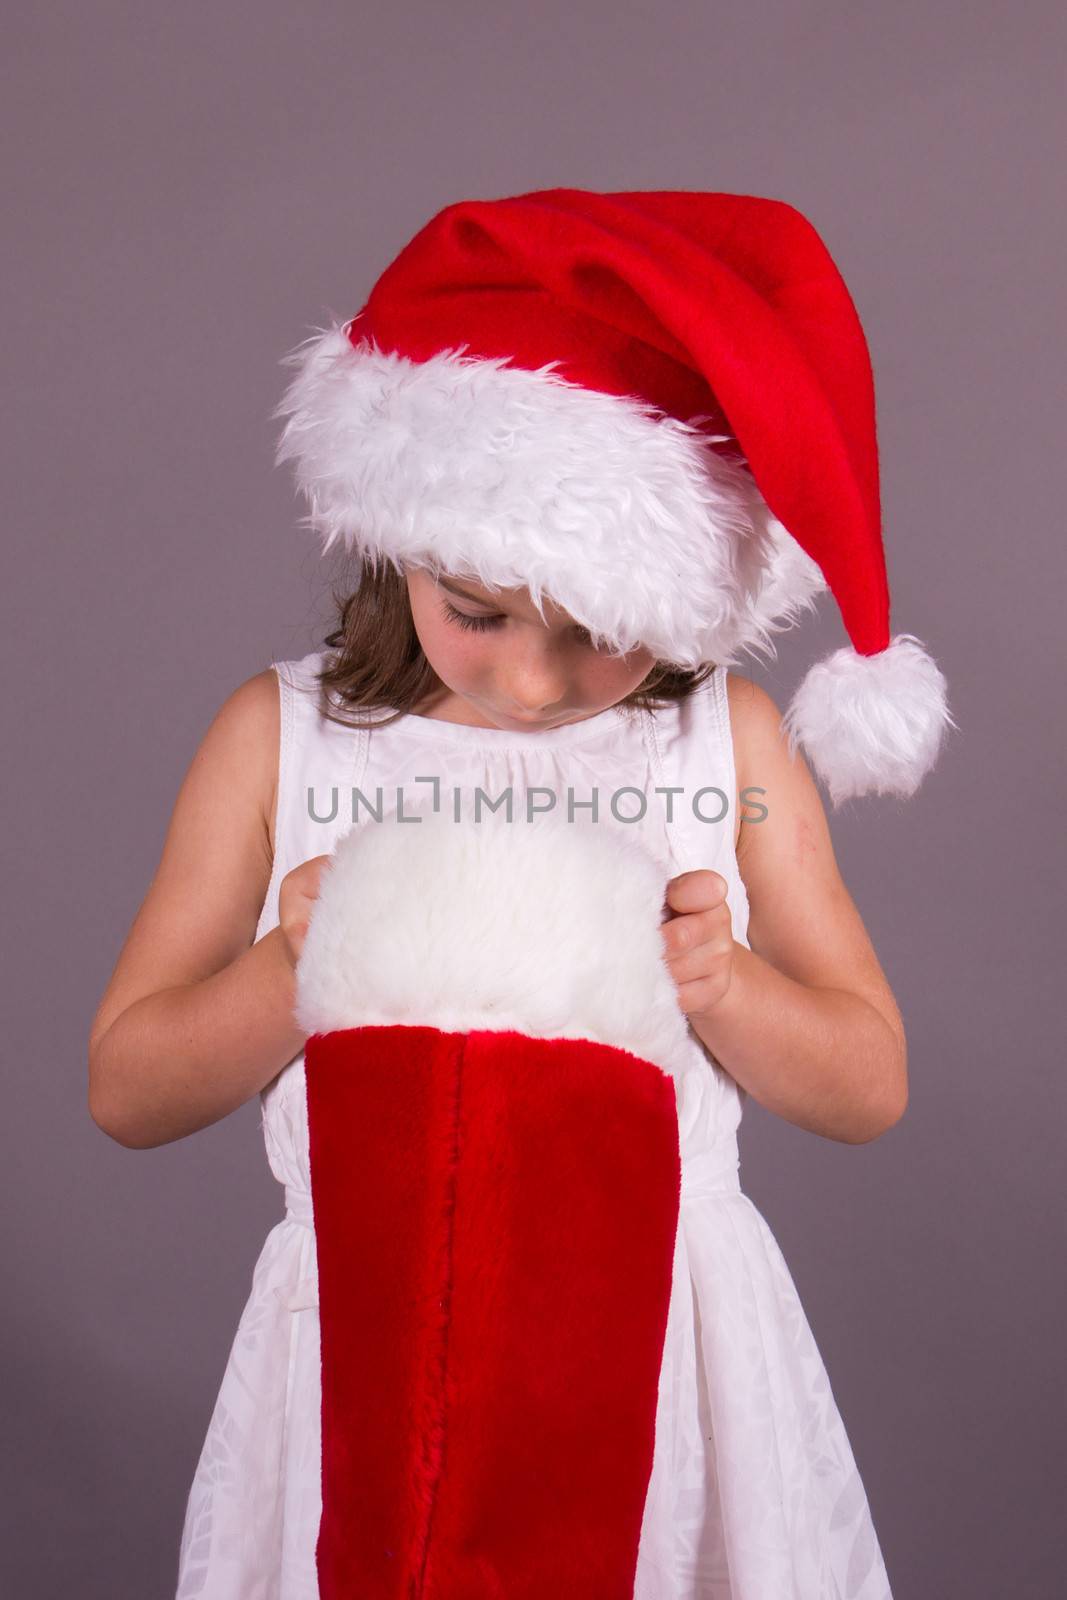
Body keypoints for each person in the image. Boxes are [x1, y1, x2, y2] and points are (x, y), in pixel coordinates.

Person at [88, 188, 955, 1598]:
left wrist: (724, 986)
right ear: (398, 542)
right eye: (477, 612)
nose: (533, 680)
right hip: (367, 1348)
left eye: (597, 636)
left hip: (663, 1355)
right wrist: (285, 968)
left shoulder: (716, 747)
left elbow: (872, 1080)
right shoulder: (282, 741)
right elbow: (127, 1087)